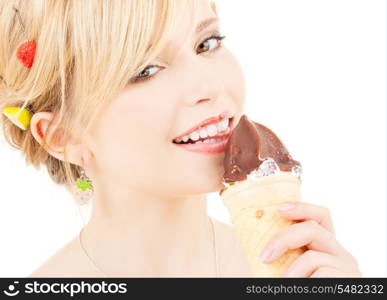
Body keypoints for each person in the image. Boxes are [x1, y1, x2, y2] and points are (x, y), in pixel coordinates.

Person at [0, 0, 361, 277]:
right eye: (145, 70)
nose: (209, 86)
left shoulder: (298, 270)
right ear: (63, 136)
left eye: (207, 43)